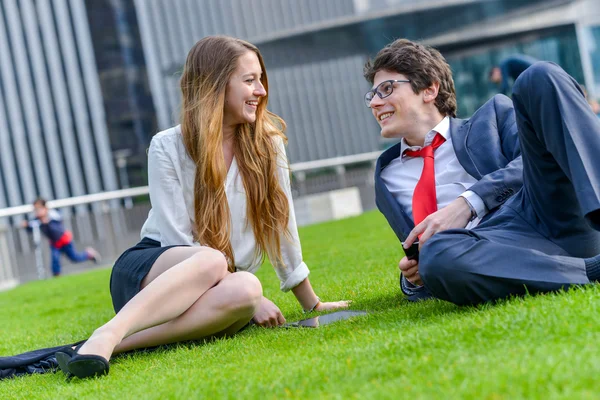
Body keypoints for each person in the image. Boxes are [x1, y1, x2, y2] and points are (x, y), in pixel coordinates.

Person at [54, 36, 349, 380]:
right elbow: (176, 239)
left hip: (219, 282)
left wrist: (311, 304)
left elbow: (282, 226)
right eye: (249, 80)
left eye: (261, 79)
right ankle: (110, 331)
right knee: (211, 260)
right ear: (215, 84)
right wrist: (229, 275)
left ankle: (109, 344)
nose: (261, 91)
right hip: (156, 270)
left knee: (248, 289)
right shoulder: (167, 146)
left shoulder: (268, 144)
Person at [365, 38, 600, 306]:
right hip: (494, 251)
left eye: (386, 89)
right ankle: (590, 272)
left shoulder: (493, 116)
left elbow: (537, 161)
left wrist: (469, 202)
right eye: (372, 95)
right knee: (437, 252)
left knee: (538, 76)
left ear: (429, 89)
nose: (374, 103)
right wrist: (413, 278)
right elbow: (421, 250)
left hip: (546, 214)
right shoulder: (386, 175)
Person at [22, 198, 100, 277]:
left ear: (45, 208)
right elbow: (31, 228)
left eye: (39, 209)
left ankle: (89, 254)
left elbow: (56, 230)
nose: (37, 212)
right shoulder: (37, 219)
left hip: (64, 240)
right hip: (54, 243)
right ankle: (56, 275)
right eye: (35, 210)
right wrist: (26, 226)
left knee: (74, 258)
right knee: (55, 259)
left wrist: (47, 222)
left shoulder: (53, 216)